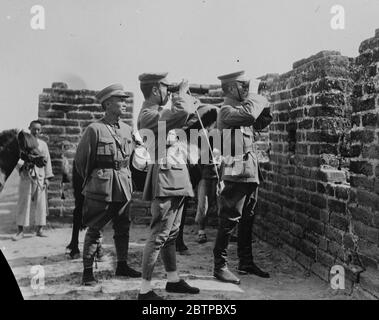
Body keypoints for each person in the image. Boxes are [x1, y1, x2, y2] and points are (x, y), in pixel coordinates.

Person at [137, 72, 200, 300]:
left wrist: (186, 99)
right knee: (158, 235)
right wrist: (181, 93)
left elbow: (186, 115)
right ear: (155, 89)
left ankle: (172, 279)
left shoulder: (159, 113)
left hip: (176, 178)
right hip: (165, 180)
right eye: (165, 88)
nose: (168, 92)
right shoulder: (147, 115)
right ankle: (144, 290)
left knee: (171, 235)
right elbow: (181, 111)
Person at [75, 84, 141, 285]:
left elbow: (132, 159)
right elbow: (81, 161)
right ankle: (87, 273)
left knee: (123, 226)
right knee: (95, 228)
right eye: (120, 100)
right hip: (101, 186)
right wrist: (95, 180)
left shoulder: (128, 129)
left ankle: (121, 265)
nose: (124, 103)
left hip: (123, 183)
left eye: (124, 100)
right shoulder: (94, 129)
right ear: (108, 104)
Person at [213, 71, 271, 284]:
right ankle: (219, 266)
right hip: (236, 172)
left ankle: (246, 262)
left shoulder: (244, 108)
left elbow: (261, 121)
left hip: (250, 171)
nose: (246, 89)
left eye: (248, 86)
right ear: (230, 88)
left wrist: (259, 99)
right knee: (229, 219)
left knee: (248, 217)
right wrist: (254, 95)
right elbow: (249, 116)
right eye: (242, 85)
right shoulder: (226, 111)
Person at [13, 120, 53, 240]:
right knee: (23, 202)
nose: (36, 131)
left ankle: (40, 229)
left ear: (41, 131)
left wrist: (47, 177)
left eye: (38, 129)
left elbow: (47, 162)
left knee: (41, 203)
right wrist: (23, 166)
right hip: (26, 176)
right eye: (34, 129)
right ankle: (20, 231)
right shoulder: (23, 142)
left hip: (39, 176)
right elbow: (17, 160)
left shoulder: (43, 144)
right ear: (29, 128)